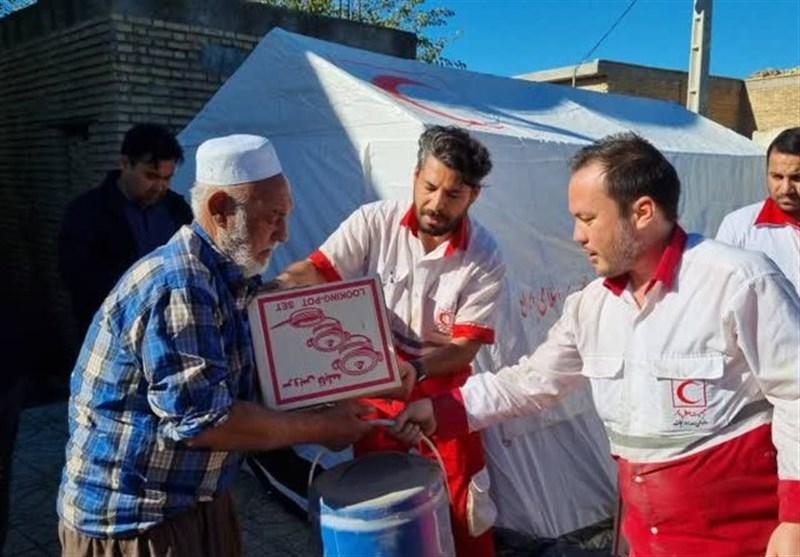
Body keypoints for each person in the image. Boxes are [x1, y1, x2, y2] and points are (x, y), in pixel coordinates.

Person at [393, 133, 800, 557]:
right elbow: (532, 381)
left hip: (744, 542)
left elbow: (796, 394)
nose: (577, 235)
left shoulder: (738, 281)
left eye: (588, 218)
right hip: (645, 539)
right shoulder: (592, 307)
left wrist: (794, 519)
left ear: (642, 212)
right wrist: (440, 410)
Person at [56, 134, 374, 557]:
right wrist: (326, 427)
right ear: (221, 210)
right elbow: (209, 422)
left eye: (287, 216)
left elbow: (252, 379)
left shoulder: (226, 278)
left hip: (193, 499)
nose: (283, 234)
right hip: (137, 521)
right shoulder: (181, 284)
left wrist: (358, 385)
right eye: (273, 217)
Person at [267, 125, 506, 556]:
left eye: (453, 194)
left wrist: (416, 369)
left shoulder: (485, 253)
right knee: (379, 502)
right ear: (415, 176)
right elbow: (318, 269)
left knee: (462, 512)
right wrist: (276, 287)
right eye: (430, 186)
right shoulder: (374, 220)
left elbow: (466, 347)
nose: (436, 203)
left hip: (446, 397)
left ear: (473, 195)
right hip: (377, 385)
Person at [59, 123, 193, 338]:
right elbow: (75, 274)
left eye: (166, 178)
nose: (159, 186)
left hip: (172, 329)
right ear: (124, 163)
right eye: (150, 176)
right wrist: (143, 289)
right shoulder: (87, 211)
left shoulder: (178, 210)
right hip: (112, 334)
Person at [716, 126, 800, 295]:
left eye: (797, 178)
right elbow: (719, 292)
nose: (785, 188)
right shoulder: (738, 227)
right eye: (777, 176)